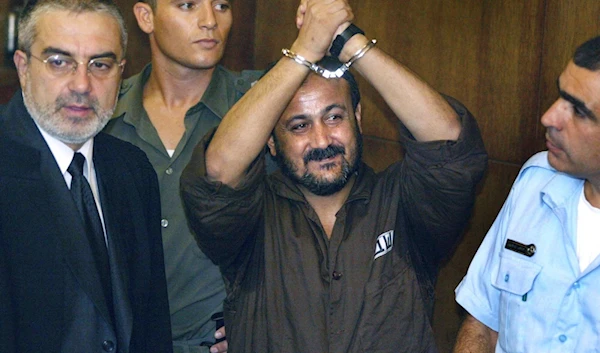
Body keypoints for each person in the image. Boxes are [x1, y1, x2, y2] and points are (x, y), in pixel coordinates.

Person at [179, 0, 488, 351]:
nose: (322, 140)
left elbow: (451, 146)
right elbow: (217, 176)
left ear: (358, 116)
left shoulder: (404, 201)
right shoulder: (250, 217)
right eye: (299, 126)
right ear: (270, 141)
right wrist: (304, 50)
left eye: (334, 117)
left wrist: (348, 42)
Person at [0, 0, 172, 352]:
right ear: (23, 67)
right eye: (59, 62)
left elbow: (152, 323)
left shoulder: (133, 170)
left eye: (100, 64)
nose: (82, 84)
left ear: (121, 71)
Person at [103, 0, 262, 352]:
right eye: (188, 5)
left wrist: (265, 322)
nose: (210, 21)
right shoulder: (103, 111)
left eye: (222, 5)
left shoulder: (258, 107)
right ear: (146, 17)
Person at [453, 36, 600, 353]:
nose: (549, 117)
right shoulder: (537, 179)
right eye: (560, 95)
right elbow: (482, 320)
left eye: (578, 110)